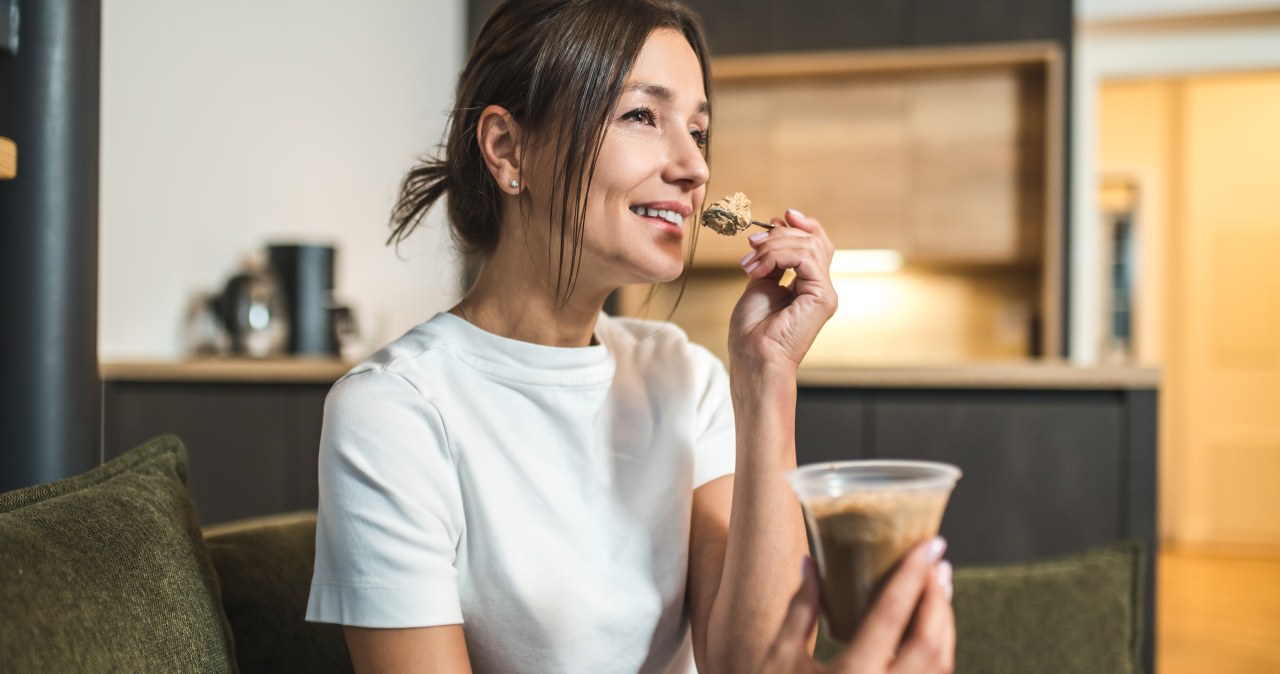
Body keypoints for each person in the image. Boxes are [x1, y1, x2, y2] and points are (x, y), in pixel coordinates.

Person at [305, 1, 954, 672]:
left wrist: (768, 378)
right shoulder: (396, 412)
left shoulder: (684, 377)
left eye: (698, 130)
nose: (694, 167)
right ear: (508, 149)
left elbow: (755, 664)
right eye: (642, 115)